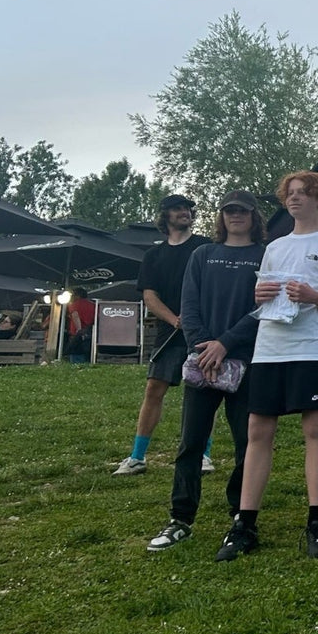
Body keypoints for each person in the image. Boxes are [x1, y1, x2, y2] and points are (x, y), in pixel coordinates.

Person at [216, 172, 318, 561]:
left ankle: (316, 521)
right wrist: (259, 295)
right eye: (290, 194)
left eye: (304, 193)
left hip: (312, 348)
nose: (294, 200)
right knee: (258, 430)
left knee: (314, 429)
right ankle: (244, 523)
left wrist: (314, 296)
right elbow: (264, 301)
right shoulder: (274, 247)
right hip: (270, 349)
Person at [146, 191, 265, 553]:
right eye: (229, 211)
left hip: (247, 360)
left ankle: (241, 515)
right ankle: (180, 518)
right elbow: (189, 304)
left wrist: (225, 344)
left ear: (253, 216)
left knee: (248, 444)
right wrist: (203, 347)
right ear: (221, 216)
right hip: (203, 363)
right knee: (190, 442)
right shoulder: (202, 255)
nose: (235, 217)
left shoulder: (266, 255)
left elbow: (266, 309)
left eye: (242, 211)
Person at [115, 195, 212, 476]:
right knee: (153, 390)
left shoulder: (205, 246)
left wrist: (196, 319)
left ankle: (203, 455)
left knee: (204, 392)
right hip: (169, 333)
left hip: (203, 332)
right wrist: (174, 319)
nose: (185, 213)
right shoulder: (154, 256)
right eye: (178, 209)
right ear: (165, 216)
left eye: (188, 209)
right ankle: (137, 457)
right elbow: (149, 296)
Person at [66, 287, 96, 364]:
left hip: (77, 333)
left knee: (75, 354)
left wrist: (79, 330)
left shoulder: (74, 305)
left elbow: (75, 315)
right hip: (89, 332)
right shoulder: (93, 305)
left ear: (77, 295)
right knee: (87, 354)